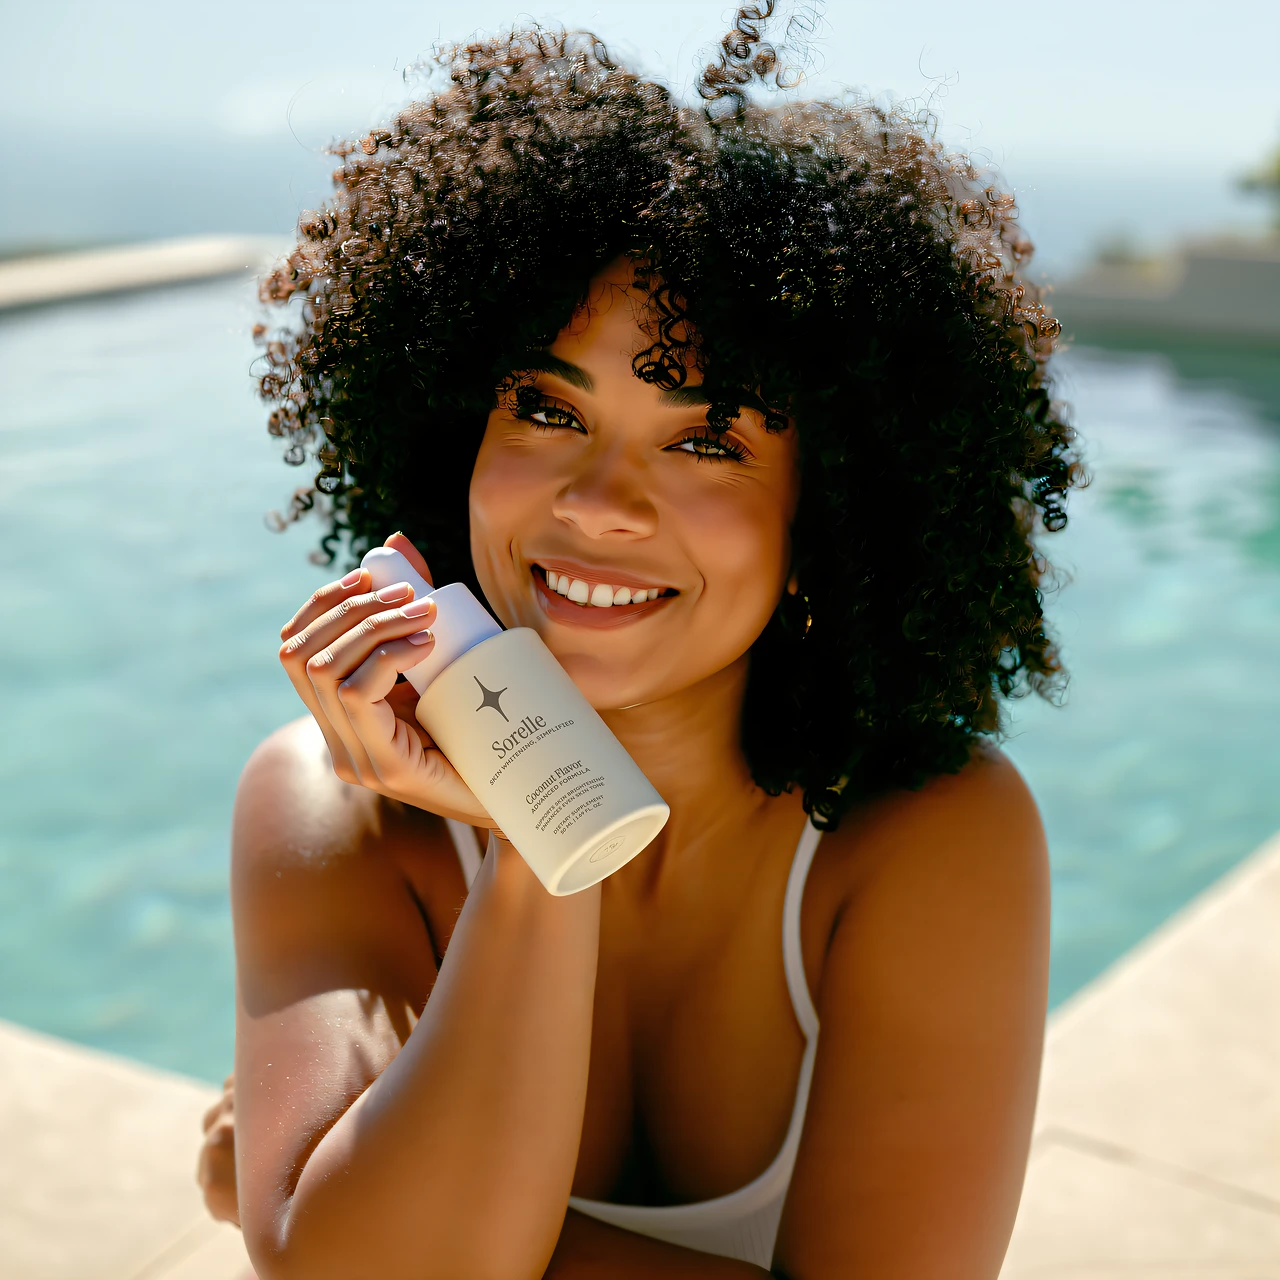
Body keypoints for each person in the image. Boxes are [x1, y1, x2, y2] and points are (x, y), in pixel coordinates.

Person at [197, 7, 1081, 1276]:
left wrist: (321, 1203)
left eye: (708, 438)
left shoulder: (929, 833)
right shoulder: (333, 803)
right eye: (547, 408)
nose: (599, 501)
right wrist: (541, 838)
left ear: (825, 514)